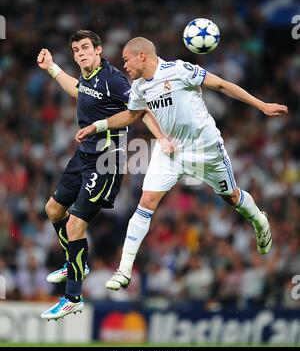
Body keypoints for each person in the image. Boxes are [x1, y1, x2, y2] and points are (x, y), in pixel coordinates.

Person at [76, 37, 288, 291]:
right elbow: (132, 115)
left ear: (142, 55)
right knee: (146, 202)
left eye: (126, 60)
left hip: (205, 150)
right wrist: (97, 125)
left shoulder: (178, 70)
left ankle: (259, 221)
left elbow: (220, 84)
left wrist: (261, 105)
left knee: (231, 197)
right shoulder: (140, 87)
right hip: (171, 151)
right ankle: (124, 269)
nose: (124, 66)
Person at [36, 31, 171, 320]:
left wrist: (160, 137)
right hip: (84, 155)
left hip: (106, 161)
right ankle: (77, 264)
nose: (80, 53)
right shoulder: (88, 76)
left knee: (74, 225)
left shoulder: (114, 79)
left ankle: (72, 297)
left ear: (98, 50)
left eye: (85, 47)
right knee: (52, 209)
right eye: (75, 49)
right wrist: (52, 67)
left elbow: (140, 109)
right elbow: (76, 90)